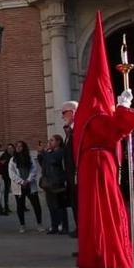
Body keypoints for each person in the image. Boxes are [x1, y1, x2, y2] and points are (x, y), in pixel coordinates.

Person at [74, 12, 134, 268]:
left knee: (116, 214)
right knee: (101, 215)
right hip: (97, 166)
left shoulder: (98, 109)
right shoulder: (94, 112)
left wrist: (120, 109)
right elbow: (110, 131)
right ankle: (96, 263)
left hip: (104, 166)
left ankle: (128, 258)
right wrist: (123, 109)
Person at [8, 140, 43, 233]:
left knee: (36, 205)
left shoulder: (29, 158)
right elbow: (12, 173)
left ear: (24, 148)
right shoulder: (13, 160)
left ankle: (39, 224)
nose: (18, 148)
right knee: (20, 206)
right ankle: (22, 225)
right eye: (17, 146)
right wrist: (21, 181)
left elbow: (34, 170)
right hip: (19, 185)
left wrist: (28, 180)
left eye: (20, 146)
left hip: (29, 184)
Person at [39, 134, 69, 235]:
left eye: (52, 140)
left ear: (58, 142)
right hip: (48, 182)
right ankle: (54, 226)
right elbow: (44, 164)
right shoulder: (49, 153)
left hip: (57, 182)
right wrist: (41, 155)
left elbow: (53, 160)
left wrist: (44, 152)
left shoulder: (60, 152)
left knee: (60, 206)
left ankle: (64, 227)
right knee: (51, 206)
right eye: (49, 141)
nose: (49, 142)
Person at [61, 100, 79, 237]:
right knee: (74, 204)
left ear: (72, 113)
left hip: (77, 176)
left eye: (64, 113)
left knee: (79, 205)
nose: (62, 117)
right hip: (70, 176)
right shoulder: (70, 133)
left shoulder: (77, 131)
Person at [0, 143, 15, 214]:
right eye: (9, 148)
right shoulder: (4, 156)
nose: (10, 150)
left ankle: (22, 206)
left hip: (14, 176)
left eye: (11, 148)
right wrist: (1, 174)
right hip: (6, 176)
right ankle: (6, 206)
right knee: (6, 191)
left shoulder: (15, 155)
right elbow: (0, 165)